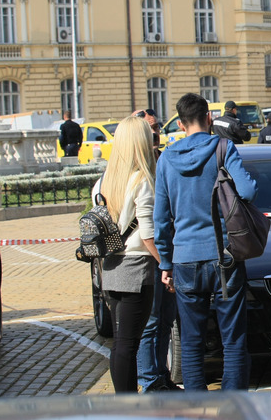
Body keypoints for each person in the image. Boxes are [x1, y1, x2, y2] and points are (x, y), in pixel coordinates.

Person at [154, 93, 258, 391]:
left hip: (185, 258)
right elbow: (247, 192)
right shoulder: (223, 148)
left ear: (181, 122)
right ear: (208, 118)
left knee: (191, 340)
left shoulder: (166, 159)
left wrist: (165, 261)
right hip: (224, 255)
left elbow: (161, 218)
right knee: (233, 338)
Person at [95, 116, 163, 393]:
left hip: (110, 267)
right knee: (129, 343)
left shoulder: (104, 181)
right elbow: (148, 233)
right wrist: (167, 264)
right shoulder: (141, 180)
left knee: (121, 343)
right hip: (136, 267)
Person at [131, 108, 178, 392]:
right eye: (149, 129)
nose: (155, 132)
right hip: (149, 260)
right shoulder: (134, 171)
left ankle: (162, 377)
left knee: (166, 320)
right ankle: (149, 382)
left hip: (168, 253)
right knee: (150, 323)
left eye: (157, 126)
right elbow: (146, 230)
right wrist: (165, 264)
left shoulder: (163, 161)